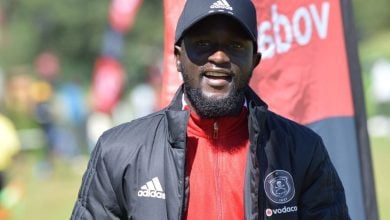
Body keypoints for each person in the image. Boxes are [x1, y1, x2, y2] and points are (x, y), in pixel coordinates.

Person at [71, 0, 350, 219]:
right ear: (178, 58)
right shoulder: (118, 150)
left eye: (235, 45)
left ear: (254, 60)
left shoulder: (302, 149)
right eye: (203, 44)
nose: (218, 57)